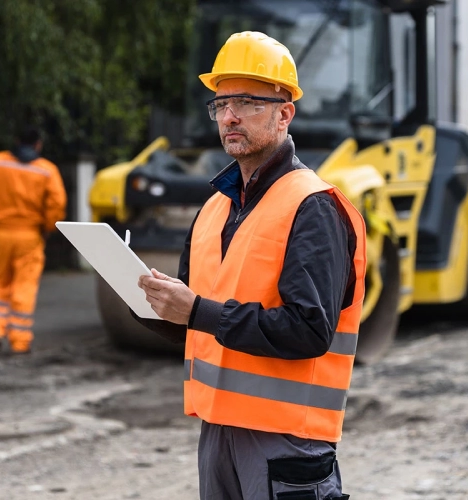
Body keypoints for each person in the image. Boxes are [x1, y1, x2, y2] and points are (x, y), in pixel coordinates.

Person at [135, 31, 366, 500]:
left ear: (285, 114)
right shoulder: (215, 208)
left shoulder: (313, 206)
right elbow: (196, 318)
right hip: (218, 430)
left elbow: (308, 329)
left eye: (247, 102)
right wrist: (149, 303)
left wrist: (196, 311)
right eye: (220, 105)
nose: (230, 116)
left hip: (286, 441)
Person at [0, 126, 66, 354]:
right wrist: (48, 227)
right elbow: (57, 205)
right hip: (29, 236)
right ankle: (19, 341)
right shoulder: (46, 170)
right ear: (38, 145)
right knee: (24, 285)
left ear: (16, 141)